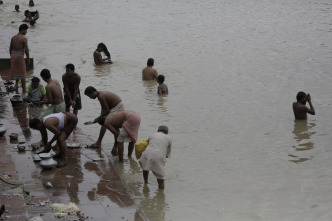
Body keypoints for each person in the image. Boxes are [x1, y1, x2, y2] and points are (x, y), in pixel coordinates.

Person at [84, 86, 124, 153]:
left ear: (93, 92)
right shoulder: (100, 94)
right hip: (114, 107)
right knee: (105, 123)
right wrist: (100, 117)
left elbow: (107, 111)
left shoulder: (101, 96)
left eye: (90, 96)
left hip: (117, 107)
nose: (90, 98)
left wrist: (98, 118)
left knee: (107, 124)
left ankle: (115, 146)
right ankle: (101, 143)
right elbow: (104, 109)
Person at [9, 24, 30, 94]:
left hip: (13, 55)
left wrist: (11, 56)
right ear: (23, 30)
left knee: (17, 71)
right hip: (19, 56)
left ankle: (16, 84)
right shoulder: (24, 38)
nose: (26, 32)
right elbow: (26, 50)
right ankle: (24, 89)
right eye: (26, 30)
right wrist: (28, 58)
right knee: (23, 74)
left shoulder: (13, 37)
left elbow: (10, 48)